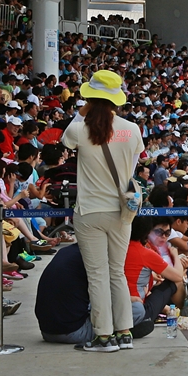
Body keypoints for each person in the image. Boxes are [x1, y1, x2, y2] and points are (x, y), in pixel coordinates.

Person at [60, 70, 144, 352]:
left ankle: (104, 337)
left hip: (89, 211)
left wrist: (82, 111)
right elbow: (131, 170)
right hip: (122, 211)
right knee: (117, 272)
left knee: (97, 275)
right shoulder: (132, 129)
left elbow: (66, 140)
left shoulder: (79, 129)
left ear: (90, 97)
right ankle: (125, 332)